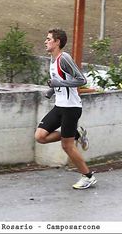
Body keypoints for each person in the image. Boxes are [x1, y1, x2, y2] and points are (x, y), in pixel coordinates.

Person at [35, 28, 96, 190]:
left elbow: (81, 80)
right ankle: (77, 134)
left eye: (49, 39)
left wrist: (58, 84)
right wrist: (51, 90)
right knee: (40, 136)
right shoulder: (52, 60)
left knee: (67, 146)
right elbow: (60, 81)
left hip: (71, 108)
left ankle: (88, 176)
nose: (45, 41)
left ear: (57, 42)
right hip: (59, 106)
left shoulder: (64, 58)